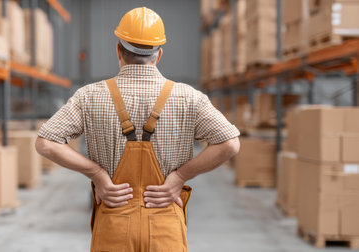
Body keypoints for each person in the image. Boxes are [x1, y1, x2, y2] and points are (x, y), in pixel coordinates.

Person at [35, 7, 240, 252]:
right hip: (166, 225)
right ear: (159, 54)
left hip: (113, 225)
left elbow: (46, 142)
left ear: (118, 51)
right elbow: (229, 143)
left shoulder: (89, 96)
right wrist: (180, 177)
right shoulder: (188, 97)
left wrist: (97, 174)